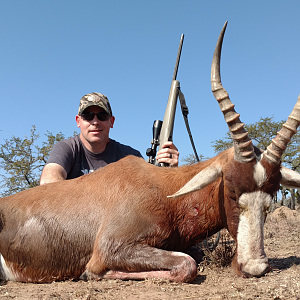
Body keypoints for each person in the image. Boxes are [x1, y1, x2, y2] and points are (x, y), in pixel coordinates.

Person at [40, 92, 179, 185]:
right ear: (78, 121)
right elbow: (48, 182)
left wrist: (170, 173)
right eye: (88, 116)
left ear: (111, 122)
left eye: (102, 116)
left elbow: (151, 192)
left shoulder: (131, 156)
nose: (95, 122)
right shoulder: (66, 148)